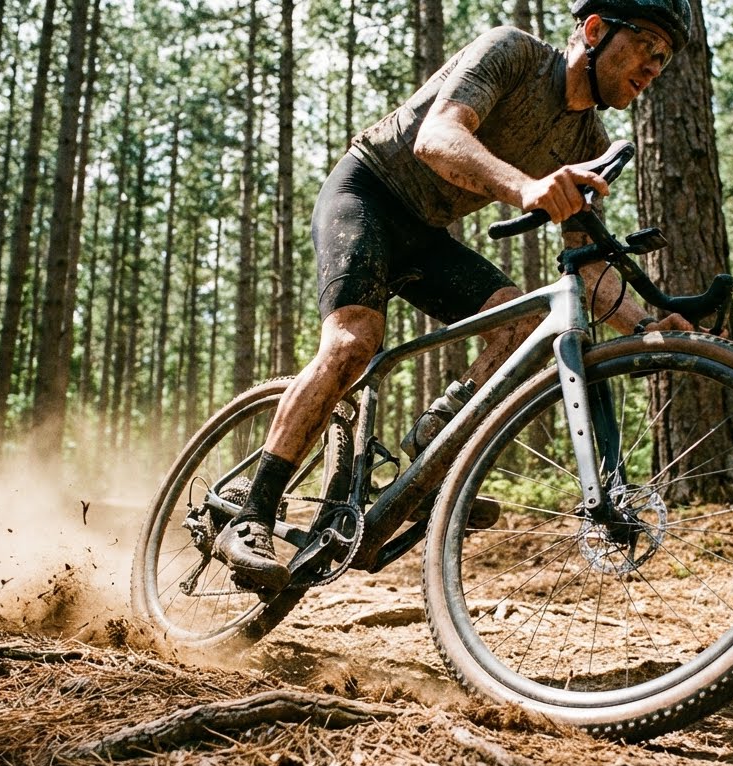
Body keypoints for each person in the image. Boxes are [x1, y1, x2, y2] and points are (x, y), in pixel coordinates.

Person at [215, 0, 695, 591]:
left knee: (520, 326)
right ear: (595, 31)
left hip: (426, 234)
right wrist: (527, 187)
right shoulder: (513, 52)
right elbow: (437, 137)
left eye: (664, 59)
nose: (654, 67)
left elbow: (589, 265)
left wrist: (646, 325)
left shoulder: (587, 139)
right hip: (367, 193)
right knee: (352, 342)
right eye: (648, 47)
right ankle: (253, 514)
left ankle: (430, 450)